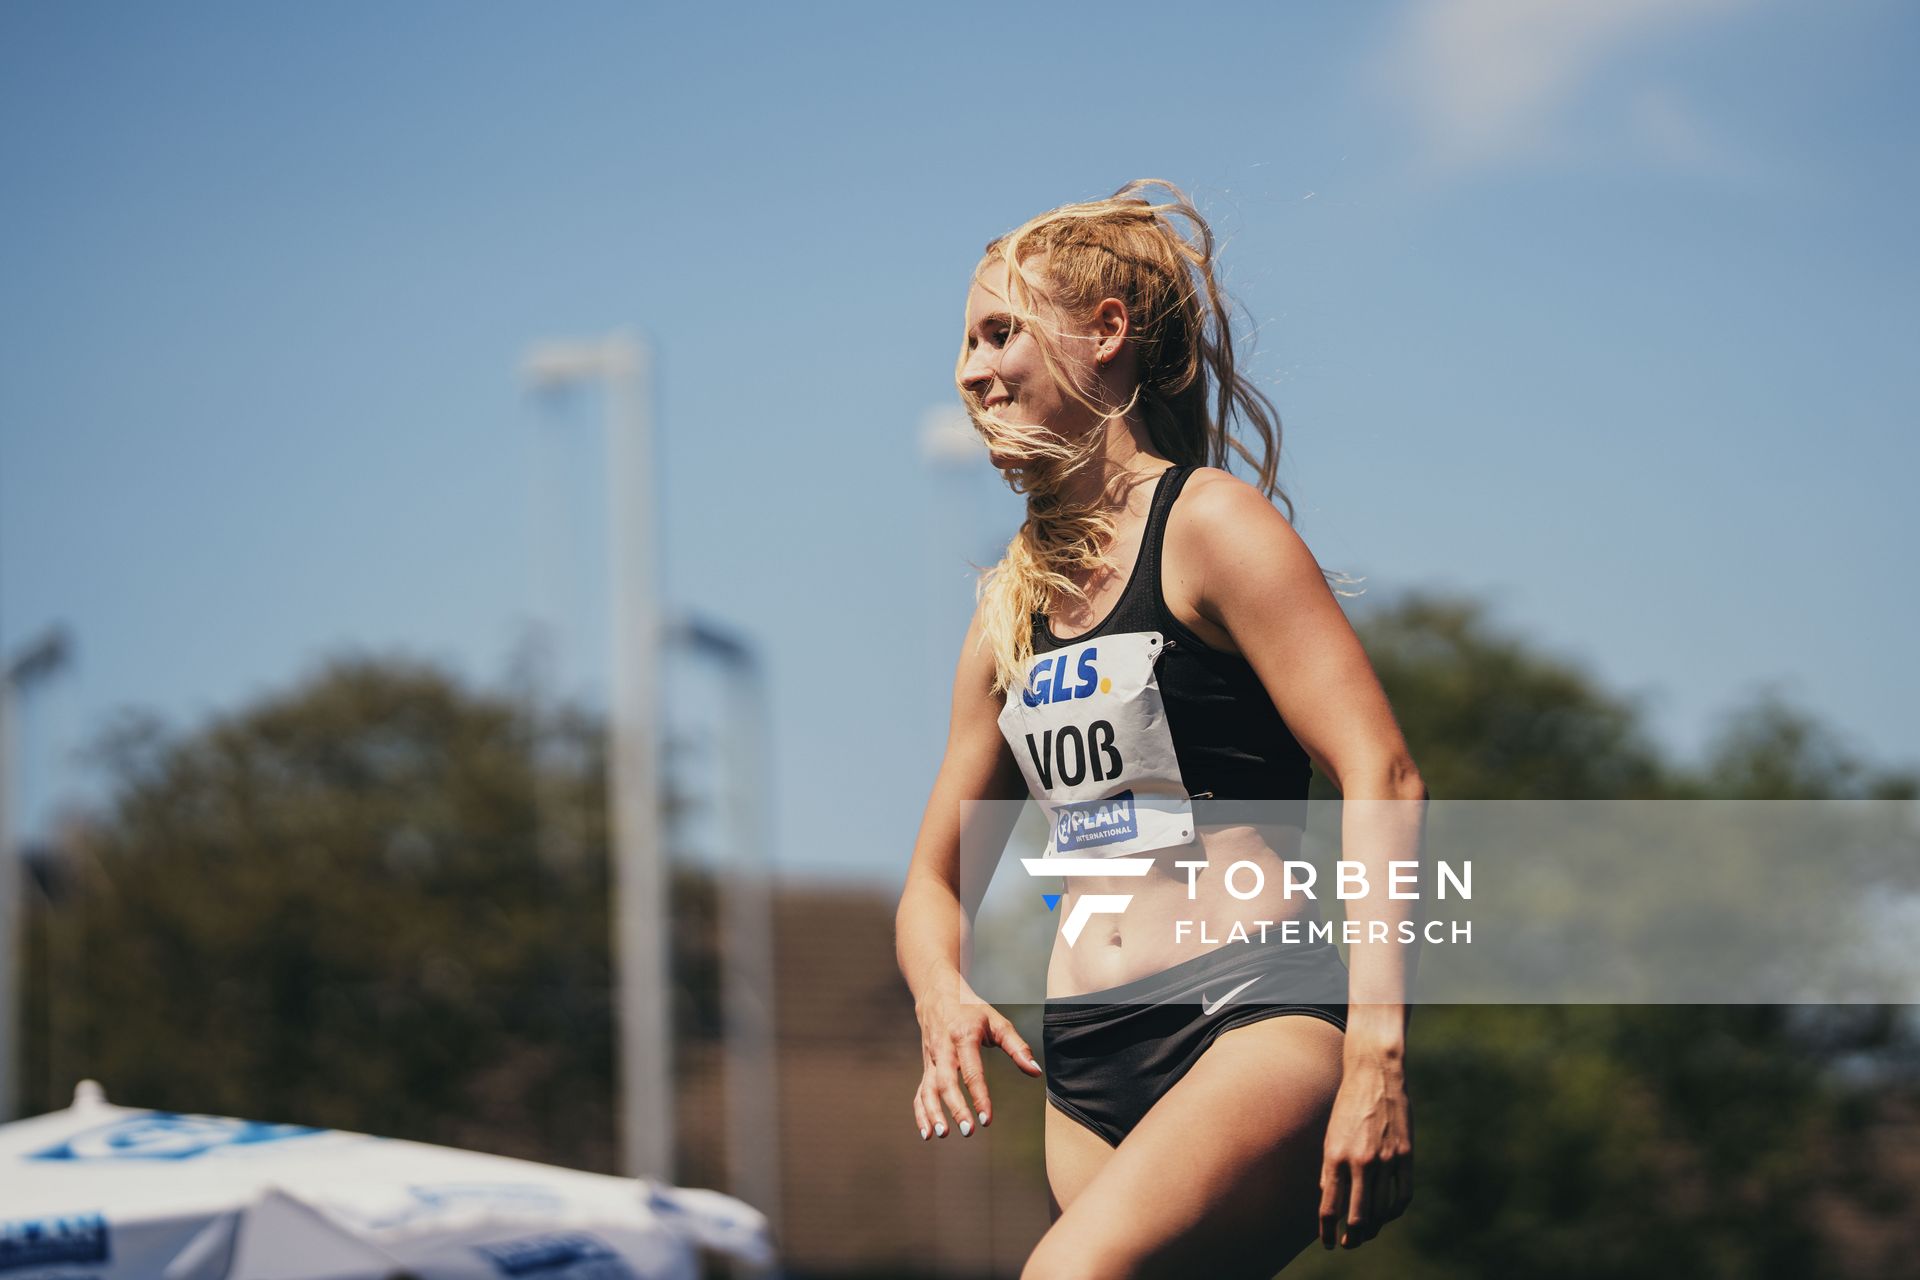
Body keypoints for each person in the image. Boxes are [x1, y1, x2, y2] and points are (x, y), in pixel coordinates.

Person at [894, 179, 1426, 1278]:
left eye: (1001, 331)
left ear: (1106, 335)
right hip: (1087, 1066)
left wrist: (1377, 1052)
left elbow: (1382, 769)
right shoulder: (1005, 614)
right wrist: (939, 987)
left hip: (1247, 1014)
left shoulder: (1213, 526)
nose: (971, 367)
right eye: (965, 341)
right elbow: (933, 884)